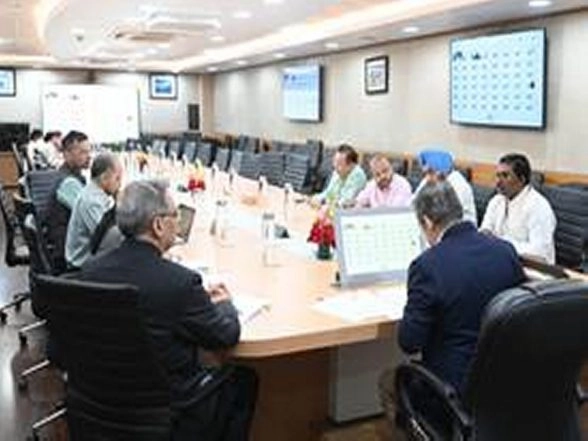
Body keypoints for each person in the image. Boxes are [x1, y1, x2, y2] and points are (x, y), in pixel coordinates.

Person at [76, 179, 258, 441]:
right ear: (158, 225)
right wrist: (225, 304)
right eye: (175, 215)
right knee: (243, 379)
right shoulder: (180, 283)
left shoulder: (91, 270)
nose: (179, 221)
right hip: (169, 410)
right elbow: (226, 336)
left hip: (100, 403)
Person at [379, 181, 525, 437]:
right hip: (506, 381)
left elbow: (410, 342)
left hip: (452, 390)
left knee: (388, 381)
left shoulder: (427, 266)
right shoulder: (505, 252)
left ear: (427, 222)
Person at [480, 153, 556, 264]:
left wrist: (501, 243)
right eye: (498, 176)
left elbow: (540, 253)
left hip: (532, 268)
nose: (498, 182)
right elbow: (485, 232)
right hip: (501, 260)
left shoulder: (538, 206)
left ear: (522, 179)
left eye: (505, 176)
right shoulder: (496, 200)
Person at [65, 152, 123, 269]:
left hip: (90, 258)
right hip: (82, 264)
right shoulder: (92, 201)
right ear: (104, 177)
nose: (120, 184)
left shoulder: (96, 194)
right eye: (117, 178)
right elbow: (106, 239)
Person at [46, 130, 92, 273]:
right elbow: (89, 214)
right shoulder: (69, 183)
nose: (89, 156)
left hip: (68, 247)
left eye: (89, 151)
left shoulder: (69, 176)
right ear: (66, 154)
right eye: (83, 152)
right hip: (69, 256)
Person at [415, 149, 477, 225]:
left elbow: (448, 216)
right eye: (425, 172)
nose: (427, 177)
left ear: (441, 171)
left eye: (431, 171)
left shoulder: (459, 185)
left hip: (459, 227)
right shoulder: (429, 179)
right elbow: (414, 203)